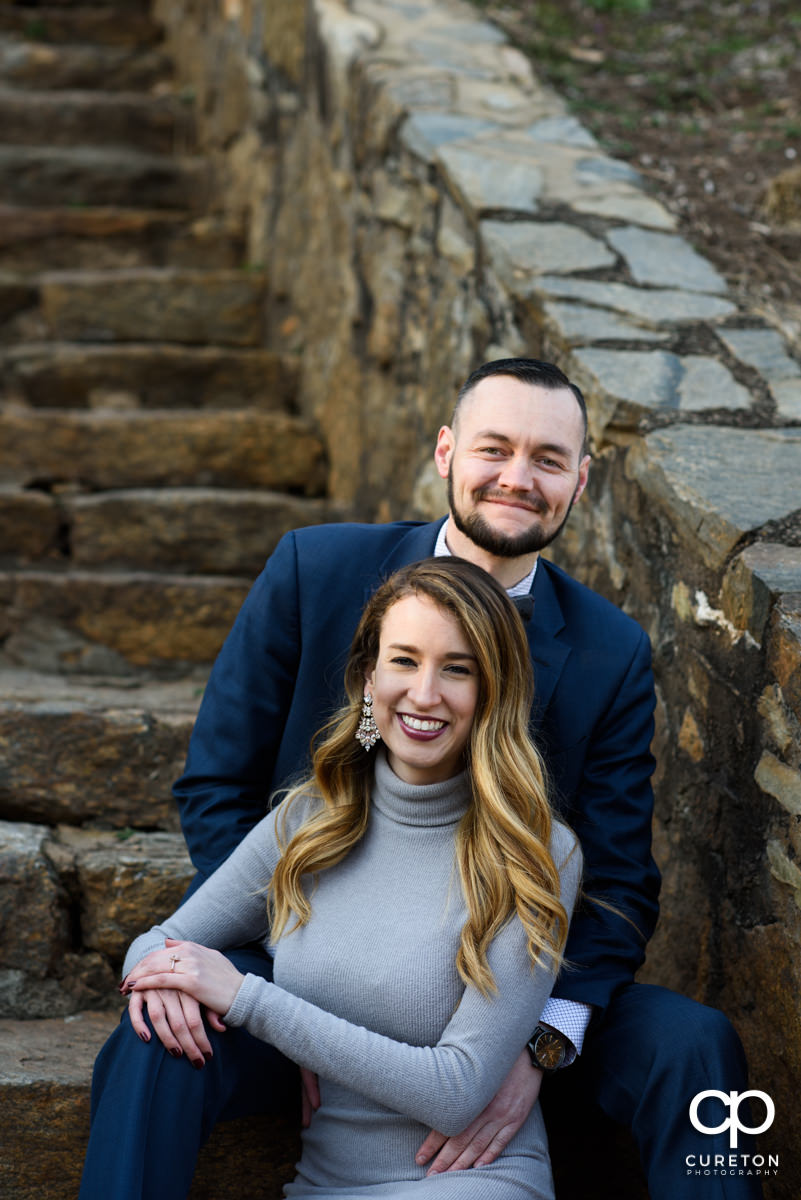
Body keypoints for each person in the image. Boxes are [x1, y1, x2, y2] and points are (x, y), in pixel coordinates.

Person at [83, 358, 760, 1199]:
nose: (516, 478)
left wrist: (536, 1044)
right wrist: (289, 974)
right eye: (493, 449)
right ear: (445, 451)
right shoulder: (315, 570)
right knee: (158, 1028)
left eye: (547, 459)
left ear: (580, 482)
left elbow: (618, 883)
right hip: (306, 948)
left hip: (503, 974)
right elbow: (221, 785)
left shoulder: (609, 649)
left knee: (691, 1045)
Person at [83, 558, 582, 1198]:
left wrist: (250, 1001)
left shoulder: (536, 852)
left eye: (457, 668)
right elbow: (159, 943)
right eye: (403, 661)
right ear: (369, 679)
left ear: (494, 689)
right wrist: (169, 982)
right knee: (148, 1035)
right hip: (323, 1187)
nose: (425, 693)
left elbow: (456, 1090)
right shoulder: (310, 820)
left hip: (467, 1183)